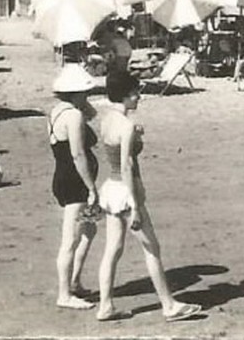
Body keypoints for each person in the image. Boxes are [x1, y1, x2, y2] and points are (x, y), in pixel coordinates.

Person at [96, 71, 203, 322]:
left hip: (110, 188)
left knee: (112, 249)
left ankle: (105, 306)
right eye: (135, 91)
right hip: (126, 190)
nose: (139, 96)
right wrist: (134, 205)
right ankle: (168, 305)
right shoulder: (127, 125)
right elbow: (127, 167)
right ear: (125, 94)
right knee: (152, 247)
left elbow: (115, 152)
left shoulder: (107, 119)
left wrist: (136, 136)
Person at [48, 64, 100, 310]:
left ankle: (75, 281)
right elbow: (79, 154)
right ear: (77, 92)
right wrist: (91, 187)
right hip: (75, 182)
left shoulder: (58, 111)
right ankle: (64, 294)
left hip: (63, 177)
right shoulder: (73, 116)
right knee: (70, 239)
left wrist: (85, 107)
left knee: (88, 230)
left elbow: (92, 117)